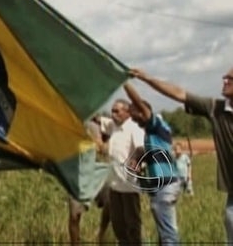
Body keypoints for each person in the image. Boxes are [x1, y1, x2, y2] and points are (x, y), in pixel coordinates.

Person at [129, 67, 233, 243]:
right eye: (225, 77)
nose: (224, 80)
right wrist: (147, 78)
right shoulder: (216, 108)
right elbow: (179, 93)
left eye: (230, 78)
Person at [124, 82, 181, 245]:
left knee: (168, 235)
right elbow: (145, 150)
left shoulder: (155, 125)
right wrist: (136, 157)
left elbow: (139, 104)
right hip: (161, 186)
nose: (134, 120)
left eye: (135, 116)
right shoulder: (152, 134)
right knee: (164, 234)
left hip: (165, 186)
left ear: (143, 113)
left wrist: (125, 83)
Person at [100, 99, 145, 245]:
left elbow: (140, 148)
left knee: (132, 224)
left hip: (129, 185)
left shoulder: (134, 127)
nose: (113, 114)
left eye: (117, 111)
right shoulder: (113, 126)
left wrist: (135, 160)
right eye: (112, 111)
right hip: (114, 185)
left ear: (127, 112)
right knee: (118, 224)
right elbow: (97, 119)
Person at [68, 117, 111, 245]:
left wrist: (102, 142)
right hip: (77, 175)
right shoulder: (66, 123)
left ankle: (101, 233)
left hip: (93, 171)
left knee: (112, 200)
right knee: (74, 215)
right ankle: (75, 243)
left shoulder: (93, 125)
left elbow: (102, 147)